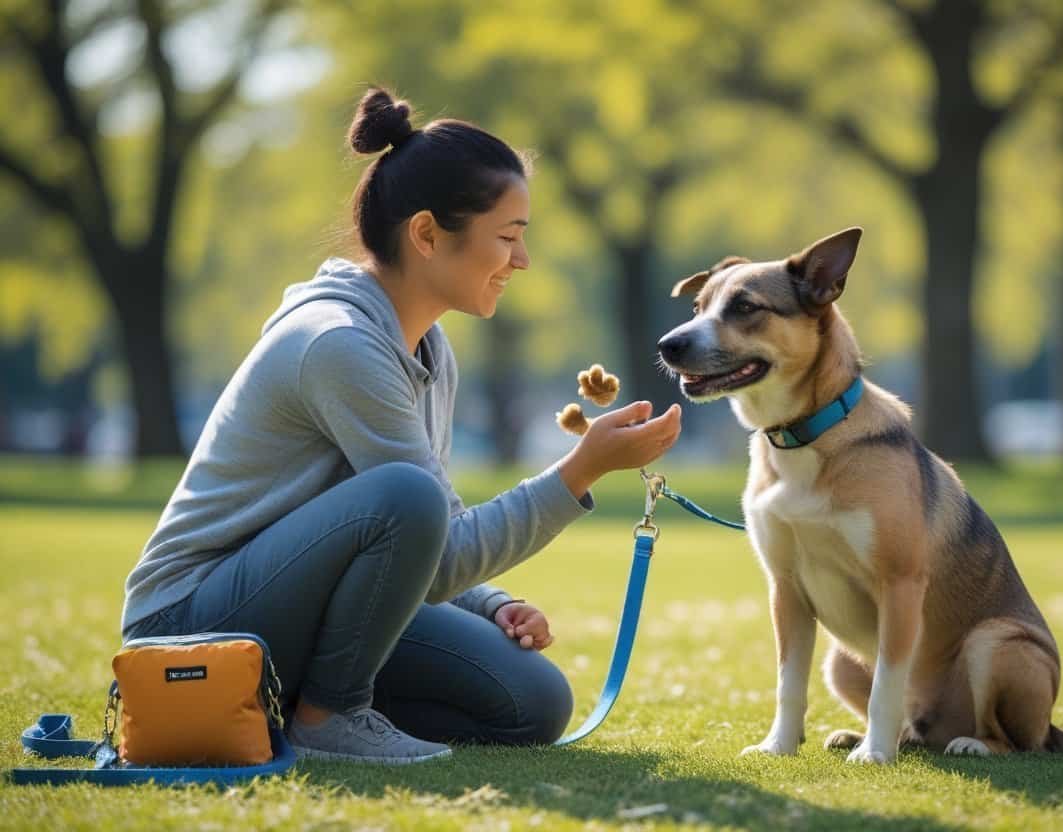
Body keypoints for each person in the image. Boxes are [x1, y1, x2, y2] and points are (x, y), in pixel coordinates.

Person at [120, 87, 682, 765]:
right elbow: (420, 524)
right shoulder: (339, 344)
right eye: (508, 238)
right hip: (186, 628)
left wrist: (488, 604)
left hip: (295, 609)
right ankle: (330, 718)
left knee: (531, 701)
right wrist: (580, 471)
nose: (522, 261)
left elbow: (417, 542)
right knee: (405, 493)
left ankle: (298, 706)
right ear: (425, 234)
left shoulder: (425, 349)